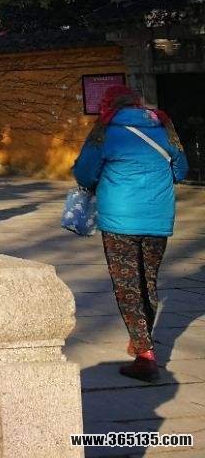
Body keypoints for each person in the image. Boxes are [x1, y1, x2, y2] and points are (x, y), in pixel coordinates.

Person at [73, 84, 188, 382]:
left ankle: (145, 355)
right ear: (138, 103)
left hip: (119, 220)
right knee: (148, 281)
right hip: (158, 217)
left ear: (109, 104)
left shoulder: (105, 129)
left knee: (127, 286)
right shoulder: (163, 126)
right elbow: (181, 171)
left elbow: (84, 173)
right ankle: (140, 339)